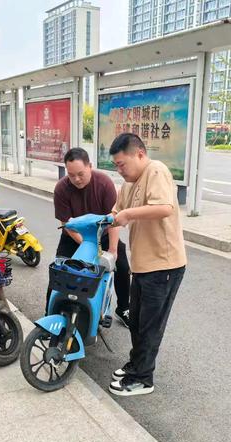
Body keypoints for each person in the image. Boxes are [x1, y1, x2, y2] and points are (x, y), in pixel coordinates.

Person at [108, 133, 187, 397]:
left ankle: (143, 378)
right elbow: (115, 211)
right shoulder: (129, 184)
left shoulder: (156, 171)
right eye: (116, 166)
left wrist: (127, 215)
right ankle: (136, 366)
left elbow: (164, 207)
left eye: (122, 164)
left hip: (164, 265)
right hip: (142, 265)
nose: (120, 171)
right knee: (136, 322)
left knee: (150, 326)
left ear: (139, 154)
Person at [47, 147, 131, 326]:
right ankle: (51, 312)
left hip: (105, 234)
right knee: (60, 270)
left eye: (81, 174)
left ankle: (123, 308)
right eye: (71, 175)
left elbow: (114, 220)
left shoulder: (104, 184)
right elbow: (66, 223)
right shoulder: (61, 188)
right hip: (74, 237)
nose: (76, 179)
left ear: (90, 166)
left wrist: (113, 250)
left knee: (122, 266)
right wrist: (87, 245)